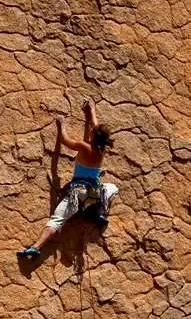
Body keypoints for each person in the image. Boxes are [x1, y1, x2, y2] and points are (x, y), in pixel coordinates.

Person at [17, 101, 118, 258]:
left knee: (57, 220)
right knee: (112, 188)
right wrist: (92, 111)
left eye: (91, 131)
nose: (90, 130)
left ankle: (36, 247)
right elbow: (96, 129)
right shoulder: (102, 149)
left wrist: (62, 125)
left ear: (92, 135)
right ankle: (99, 212)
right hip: (93, 194)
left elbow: (64, 140)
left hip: (78, 194)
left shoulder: (84, 147)